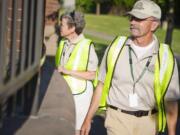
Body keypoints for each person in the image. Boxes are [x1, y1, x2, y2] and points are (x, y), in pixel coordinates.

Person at [81, 0, 180, 135]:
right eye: (132, 17)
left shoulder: (166, 57)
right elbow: (101, 85)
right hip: (117, 118)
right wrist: (88, 118)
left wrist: (172, 132)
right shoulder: (116, 47)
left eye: (139, 19)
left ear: (154, 24)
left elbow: (171, 100)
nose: (132, 22)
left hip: (150, 123)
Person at [55, 11, 98, 135]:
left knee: (76, 131)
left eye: (62, 24)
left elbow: (92, 74)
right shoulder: (63, 43)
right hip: (63, 94)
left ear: (72, 28)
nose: (59, 27)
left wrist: (66, 71)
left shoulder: (87, 45)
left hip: (80, 96)